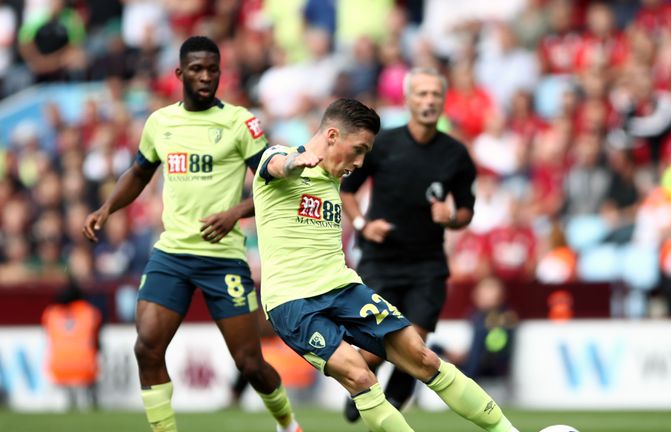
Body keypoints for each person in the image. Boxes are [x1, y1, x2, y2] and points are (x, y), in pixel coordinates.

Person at [253, 97, 518, 432]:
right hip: (294, 302)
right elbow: (277, 164)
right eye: (359, 149)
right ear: (332, 135)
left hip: (343, 288)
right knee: (360, 376)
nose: (361, 162)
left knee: (424, 359)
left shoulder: (334, 179)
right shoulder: (278, 159)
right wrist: (295, 160)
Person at [82, 36, 301, 432]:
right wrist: (107, 207)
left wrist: (235, 212)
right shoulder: (160, 123)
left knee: (249, 362)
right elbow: (138, 172)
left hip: (223, 258)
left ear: (220, 72)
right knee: (147, 346)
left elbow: (274, 186)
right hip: (172, 253)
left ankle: (287, 423)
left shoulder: (240, 122)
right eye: (197, 69)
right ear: (179, 73)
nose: (205, 77)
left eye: (212, 69)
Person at [339, 67, 477, 419]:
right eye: (421, 94)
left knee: (414, 347)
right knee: (373, 348)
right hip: (380, 259)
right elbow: (347, 190)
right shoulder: (382, 144)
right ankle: (363, 384)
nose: (428, 101)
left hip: (427, 264)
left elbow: (466, 212)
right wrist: (362, 225)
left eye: (434, 94)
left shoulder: (456, 155)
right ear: (408, 99)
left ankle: (392, 411)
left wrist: (451, 217)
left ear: (444, 101)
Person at [41, 282, 102, 410]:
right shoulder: (91, 312)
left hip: (58, 367)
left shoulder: (50, 313)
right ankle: (92, 405)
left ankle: (71, 403)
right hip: (85, 368)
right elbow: (97, 342)